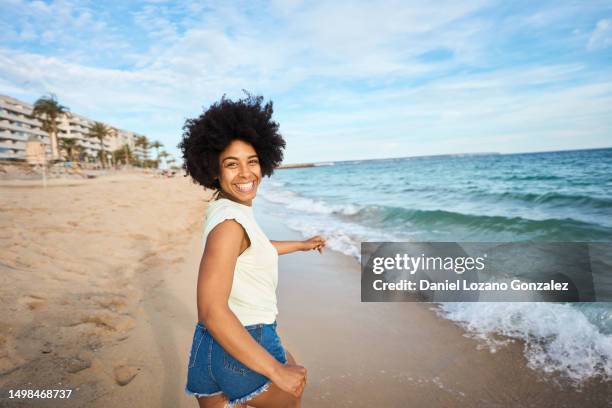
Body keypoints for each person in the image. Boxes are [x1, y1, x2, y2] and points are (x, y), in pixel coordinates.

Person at [179, 93, 326, 408]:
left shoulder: (225, 207)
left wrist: (300, 245)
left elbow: (253, 248)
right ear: (214, 170)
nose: (246, 173)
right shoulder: (230, 224)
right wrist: (275, 370)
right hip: (244, 339)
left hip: (207, 349)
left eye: (252, 161)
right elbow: (211, 309)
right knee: (290, 378)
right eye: (232, 164)